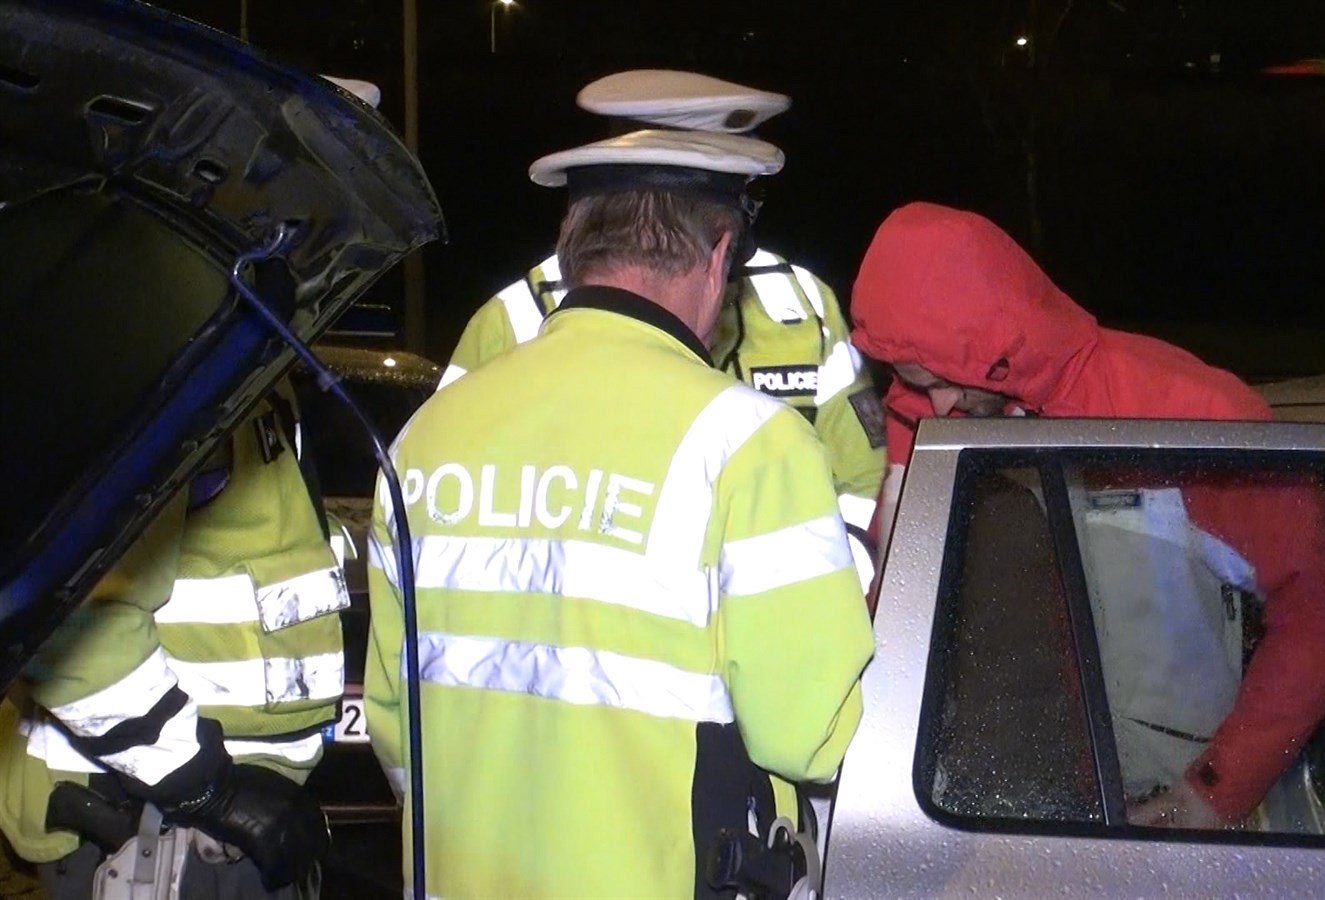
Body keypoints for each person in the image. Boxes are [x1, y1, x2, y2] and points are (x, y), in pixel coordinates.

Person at [364, 129, 875, 897]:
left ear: (572, 249)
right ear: (719, 256)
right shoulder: (754, 444)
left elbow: (393, 719)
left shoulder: (423, 438)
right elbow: (811, 735)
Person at [850, 201, 1325, 828]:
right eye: (913, 378)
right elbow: (894, 607)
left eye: (946, 378)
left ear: (1003, 347)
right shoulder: (923, 421)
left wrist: (1215, 790)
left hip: (1165, 830)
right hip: (981, 815)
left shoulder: (1183, 416)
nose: (938, 402)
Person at [441, 70, 887, 593]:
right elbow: (447, 506)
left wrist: (812, 586)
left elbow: (864, 487)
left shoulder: (804, 305)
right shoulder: (514, 318)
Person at [0, 382, 341, 898]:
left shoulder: (248, 371)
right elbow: (68, 610)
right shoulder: (160, 365)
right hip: (151, 823)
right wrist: (206, 789)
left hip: (208, 818)